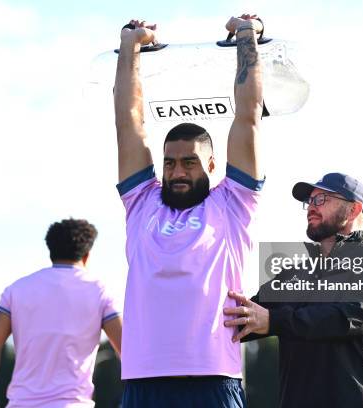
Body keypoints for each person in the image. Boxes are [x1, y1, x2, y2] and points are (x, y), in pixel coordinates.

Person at [114, 14, 265, 407]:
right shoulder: (141, 202)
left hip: (213, 377)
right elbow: (129, 122)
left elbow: (248, 119)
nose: (177, 172)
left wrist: (247, 36)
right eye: (170, 163)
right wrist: (131, 46)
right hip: (144, 379)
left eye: (190, 163)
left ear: (212, 166)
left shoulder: (233, 204)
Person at [224, 173, 363, 408]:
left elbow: (354, 316)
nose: (311, 206)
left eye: (321, 199)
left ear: (353, 210)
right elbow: (237, 318)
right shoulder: (294, 276)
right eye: (309, 201)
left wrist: (274, 320)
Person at [0, 219, 121, 408]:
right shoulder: (99, 292)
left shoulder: (16, 290)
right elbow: (127, 350)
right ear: (86, 256)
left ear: (51, 252)